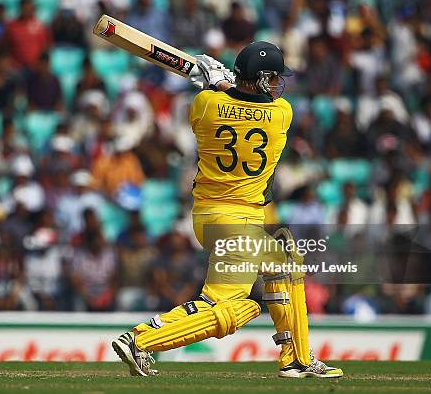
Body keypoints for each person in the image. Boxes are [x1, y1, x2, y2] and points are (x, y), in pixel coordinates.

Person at [111, 42, 343, 379]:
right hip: (238, 222)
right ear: (262, 79)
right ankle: (140, 339)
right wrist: (225, 83)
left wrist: (217, 84)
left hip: (207, 215)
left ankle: (296, 358)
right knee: (235, 307)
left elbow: (223, 105)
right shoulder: (282, 114)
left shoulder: (205, 104)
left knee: (285, 263)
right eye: (274, 77)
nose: (279, 84)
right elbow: (254, 106)